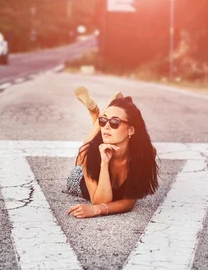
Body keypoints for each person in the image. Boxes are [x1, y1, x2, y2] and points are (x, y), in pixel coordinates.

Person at [65, 86, 158, 219]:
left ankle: (98, 114)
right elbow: (100, 201)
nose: (107, 126)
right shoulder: (90, 154)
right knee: (84, 150)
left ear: (131, 130)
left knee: (89, 146)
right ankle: (96, 115)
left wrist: (97, 210)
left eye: (115, 122)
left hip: (102, 156)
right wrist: (104, 163)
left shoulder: (145, 155)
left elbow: (129, 201)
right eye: (103, 120)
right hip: (80, 177)